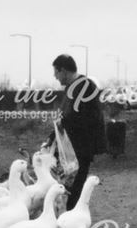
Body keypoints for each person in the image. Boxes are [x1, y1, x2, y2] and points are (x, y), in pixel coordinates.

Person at [44, 54, 107, 210]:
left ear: (63, 71)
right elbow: (65, 118)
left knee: (74, 190)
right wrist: (51, 138)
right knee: (69, 188)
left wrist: (59, 129)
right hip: (73, 149)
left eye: (56, 72)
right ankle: (68, 218)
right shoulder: (74, 87)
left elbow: (82, 118)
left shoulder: (84, 86)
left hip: (80, 149)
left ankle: (70, 222)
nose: (55, 76)